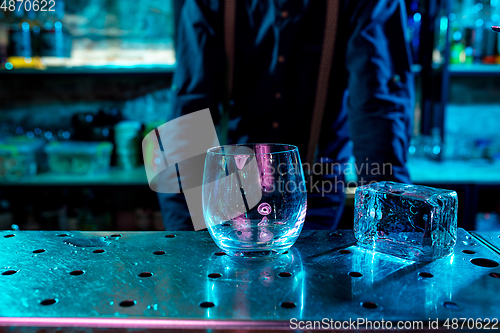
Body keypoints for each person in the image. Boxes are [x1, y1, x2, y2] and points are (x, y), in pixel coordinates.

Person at [159, 0, 414, 231]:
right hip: (229, 191)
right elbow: (187, 118)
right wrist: (187, 236)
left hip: (315, 193)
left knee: (309, 278)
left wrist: (393, 225)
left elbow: (378, 108)